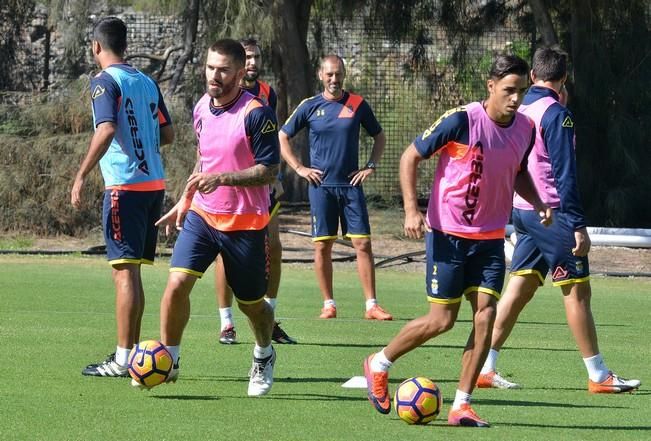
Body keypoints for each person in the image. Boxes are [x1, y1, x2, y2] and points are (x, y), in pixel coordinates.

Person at [364, 54, 553, 428]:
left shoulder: (526, 129)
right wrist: (410, 211)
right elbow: (409, 157)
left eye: (522, 91)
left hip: (491, 240)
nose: (516, 99)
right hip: (448, 237)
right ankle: (379, 362)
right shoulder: (461, 120)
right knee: (441, 320)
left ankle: (461, 405)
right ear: (491, 86)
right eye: (509, 91)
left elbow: (516, 172)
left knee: (485, 316)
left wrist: (539, 201)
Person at [477, 46, 641, 393]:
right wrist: (578, 224)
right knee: (578, 292)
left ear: (533, 76)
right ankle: (599, 376)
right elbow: (565, 174)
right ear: (564, 79)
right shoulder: (557, 113)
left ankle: (484, 367)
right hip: (553, 214)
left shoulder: (520, 107)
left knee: (519, 288)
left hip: (522, 210)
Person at [149, 39, 279, 396]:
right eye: (210, 67)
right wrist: (186, 199)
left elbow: (269, 170)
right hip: (203, 217)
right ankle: (169, 360)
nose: (214, 76)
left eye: (223, 70)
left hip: (245, 224)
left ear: (240, 73)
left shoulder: (257, 113)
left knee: (252, 305)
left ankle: (264, 353)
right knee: (176, 285)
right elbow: (203, 159)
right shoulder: (202, 107)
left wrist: (222, 178)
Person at [70, 17, 174, 378]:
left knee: (123, 274)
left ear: (96, 46)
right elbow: (168, 133)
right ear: (125, 46)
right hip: (154, 186)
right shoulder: (146, 81)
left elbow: (107, 129)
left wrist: (81, 174)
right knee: (132, 272)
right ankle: (129, 355)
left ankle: (121, 358)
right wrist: (143, 144)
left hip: (124, 188)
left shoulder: (103, 82)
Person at [279, 55, 392, 321]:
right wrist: (299, 169)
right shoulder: (309, 106)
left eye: (338, 74)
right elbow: (283, 135)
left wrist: (370, 166)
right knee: (322, 247)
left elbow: (379, 136)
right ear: (321, 75)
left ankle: (371, 306)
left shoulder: (357, 104)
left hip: (351, 186)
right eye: (329, 74)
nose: (334, 79)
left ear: (344, 75)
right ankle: (329, 304)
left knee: (362, 244)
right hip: (322, 188)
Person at [215, 37, 295, 345]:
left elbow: (270, 140)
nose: (252, 63)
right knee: (224, 253)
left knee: (273, 248)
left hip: (260, 184)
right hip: (228, 183)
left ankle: (270, 316)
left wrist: (275, 175)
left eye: (256, 57)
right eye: (247, 57)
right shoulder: (221, 91)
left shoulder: (267, 93)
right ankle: (226, 323)